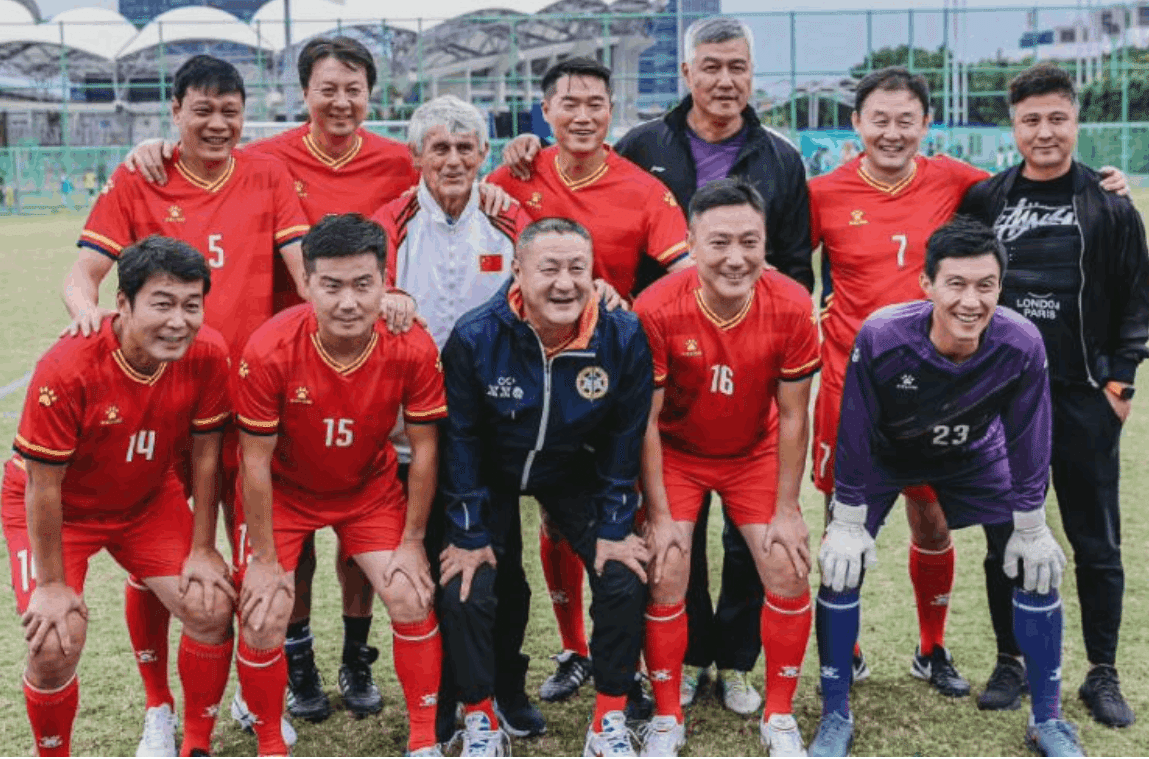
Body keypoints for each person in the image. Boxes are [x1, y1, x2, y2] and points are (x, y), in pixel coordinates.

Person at [120, 41, 514, 724]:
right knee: (285, 529)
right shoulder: (266, 159)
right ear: (304, 92)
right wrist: (157, 145)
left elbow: (456, 171)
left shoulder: (402, 156)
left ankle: (356, 657)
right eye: (328, 87)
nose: (340, 101)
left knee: (367, 525)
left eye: (354, 88)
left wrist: (512, 165)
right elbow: (209, 147)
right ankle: (295, 654)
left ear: (370, 95)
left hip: (377, 362)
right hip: (286, 361)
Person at [501, 18, 814, 713]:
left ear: (750, 74)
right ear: (685, 72)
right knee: (653, 531)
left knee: (747, 538)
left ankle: (731, 663)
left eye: (736, 66)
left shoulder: (780, 157)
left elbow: (787, 261)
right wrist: (524, 147)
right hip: (640, 365)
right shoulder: (643, 146)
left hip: (721, 360)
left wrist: (763, 336)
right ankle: (623, 652)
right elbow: (538, 186)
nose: (724, 79)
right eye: (710, 66)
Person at [806, 66, 1127, 697]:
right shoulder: (821, 192)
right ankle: (852, 650)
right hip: (851, 387)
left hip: (940, 388)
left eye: (907, 120)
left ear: (927, 124)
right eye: (880, 119)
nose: (893, 133)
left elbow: (1039, 187)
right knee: (842, 524)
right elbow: (790, 269)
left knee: (933, 519)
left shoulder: (960, 182)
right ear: (856, 124)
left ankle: (932, 648)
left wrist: (1099, 182)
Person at [61, 53, 308, 756]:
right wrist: (85, 312)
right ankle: (159, 708)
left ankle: (254, 698)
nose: (217, 122)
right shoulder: (141, 173)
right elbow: (84, 272)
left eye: (230, 109)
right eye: (202, 108)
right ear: (174, 111)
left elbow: (300, 267)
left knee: (251, 553)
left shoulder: (266, 174)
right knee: (159, 557)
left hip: (249, 404)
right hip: (161, 402)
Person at [810, 216, 1082, 758]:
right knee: (841, 564)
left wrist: (1031, 524)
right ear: (927, 284)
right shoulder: (884, 335)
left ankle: (1046, 720)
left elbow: (1029, 437)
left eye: (986, 285)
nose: (971, 301)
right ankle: (835, 713)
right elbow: (857, 428)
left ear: (1001, 288)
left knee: (1035, 562)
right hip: (889, 454)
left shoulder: (1020, 342)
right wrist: (846, 519)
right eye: (956, 283)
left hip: (971, 451)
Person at [485, 57, 688, 706]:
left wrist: (627, 316)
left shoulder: (639, 189)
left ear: (611, 111)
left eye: (595, 103)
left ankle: (619, 665)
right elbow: (455, 214)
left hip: (600, 379)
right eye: (567, 103)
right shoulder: (515, 174)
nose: (581, 115)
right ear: (544, 112)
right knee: (545, 519)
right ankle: (571, 646)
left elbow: (684, 272)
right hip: (516, 376)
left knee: (605, 514)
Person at [959, 63, 1149, 726]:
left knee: (1094, 543)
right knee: (1001, 536)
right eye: (1030, 120)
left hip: (1080, 398)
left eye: (1056, 118)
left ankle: (1100, 671)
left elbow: (1134, 300)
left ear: (1074, 121)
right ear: (1012, 127)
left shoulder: (1109, 203)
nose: (1044, 131)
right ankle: (1010, 659)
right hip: (1002, 401)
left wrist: (1118, 385)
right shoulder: (985, 200)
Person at [2, 237, 234, 757]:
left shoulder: (208, 354)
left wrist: (202, 547)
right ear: (122, 303)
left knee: (211, 603)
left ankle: (192, 742)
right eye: (162, 303)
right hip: (58, 511)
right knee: (55, 639)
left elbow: (204, 457)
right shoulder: (67, 366)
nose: (179, 320)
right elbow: (43, 485)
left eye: (191, 305)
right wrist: (53, 585)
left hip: (146, 502)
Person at [232, 213, 447, 756]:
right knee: (263, 610)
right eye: (331, 286)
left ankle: (423, 740)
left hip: (366, 492)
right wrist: (261, 558)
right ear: (307, 285)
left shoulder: (412, 345)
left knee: (410, 593)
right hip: (284, 493)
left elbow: (424, 449)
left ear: (384, 282)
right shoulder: (269, 348)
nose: (348, 301)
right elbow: (253, 463)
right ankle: (267, 740)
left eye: (362, 284)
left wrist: (413, 541)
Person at [438, 217, 652, 757]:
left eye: (577, 268)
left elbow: (626, 438)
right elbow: (459, 438)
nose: (564, 283)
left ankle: (609, 720)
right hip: (493, 469)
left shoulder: (621, 335)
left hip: (572, 467)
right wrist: (467, 532)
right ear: (517, 272)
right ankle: (484, 716)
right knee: (472, 582)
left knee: (624, 572)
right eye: (549, 268)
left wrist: (614, 528)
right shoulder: (474, 335)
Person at [372, 94, 539, 741]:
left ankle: (504, 684)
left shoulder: (507, 220)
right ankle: (441, 693)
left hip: (491, 426)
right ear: (415, 155)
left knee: (502, 565)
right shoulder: (389, 222)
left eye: (465, 148)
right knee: (428, 568)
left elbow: (545, 295)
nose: (451, 159)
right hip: (410, 430)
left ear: (482, 155)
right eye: (438, 147)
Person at [633, 179, 820, 757]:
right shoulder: (656, 307)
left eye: (749, 241)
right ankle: (666, 716)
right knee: (666, 566)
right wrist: (660, 515)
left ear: (766, 243)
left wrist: (788, 510)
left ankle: (780, 716)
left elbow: (793, 416)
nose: (735, 258)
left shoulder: (791, 304)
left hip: (752, 452)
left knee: (787, 565)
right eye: (718, 243)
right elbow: (645, 422)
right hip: (678, 454)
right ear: (690, 242)